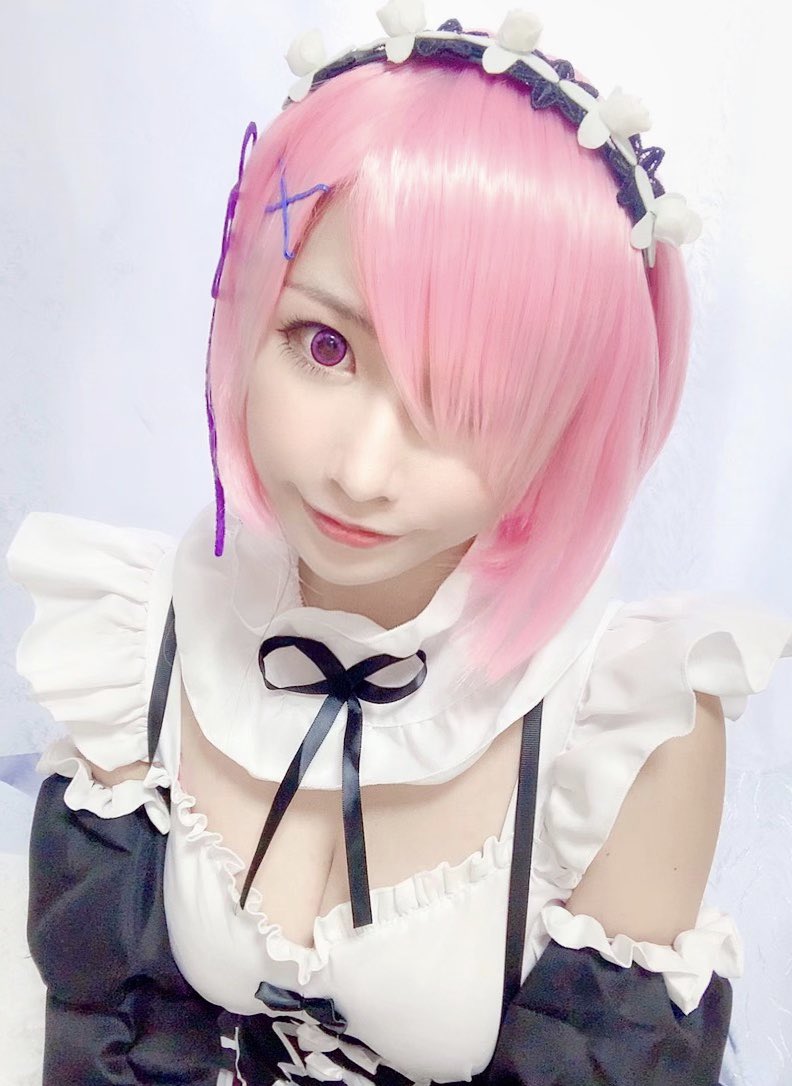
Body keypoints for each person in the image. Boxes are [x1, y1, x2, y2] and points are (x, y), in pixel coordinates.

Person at [5, 5, 792, 1084]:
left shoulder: (629, 727)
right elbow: (112, 1026)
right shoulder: (137, 631)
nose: (363, 471)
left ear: (572, 426)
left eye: (469, 401)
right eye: (324, 344)